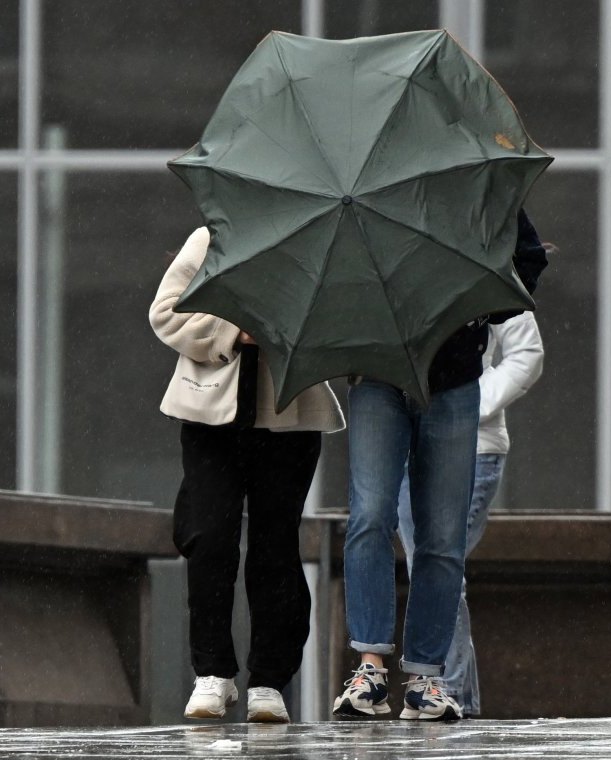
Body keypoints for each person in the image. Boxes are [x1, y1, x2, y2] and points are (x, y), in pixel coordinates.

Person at [332, 209, 547, 721]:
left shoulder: (472, 190)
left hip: (452, 378)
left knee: (442, 536)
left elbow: (528, 260)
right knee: (371, 515)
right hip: (379, 372)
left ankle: (426, 677)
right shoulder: (364, 192)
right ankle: (370, 667)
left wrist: (478, 306)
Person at [151, 226, 345, 723]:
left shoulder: (320, 239)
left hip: (290, 415)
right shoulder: (212, 237)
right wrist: (234, 331)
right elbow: (166, 311)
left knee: (276, 546)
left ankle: (268, 680)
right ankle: (213, 672)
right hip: (210, 416)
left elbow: (344, 322)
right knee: (210, 535)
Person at [395, 309, 545, 717]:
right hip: (409, 440)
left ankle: (449, 692)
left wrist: (467, 402)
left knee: (437, 563)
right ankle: (453, 696)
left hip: (474, 445)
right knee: (430, 565)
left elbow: (526, 353)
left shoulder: (482, 258)